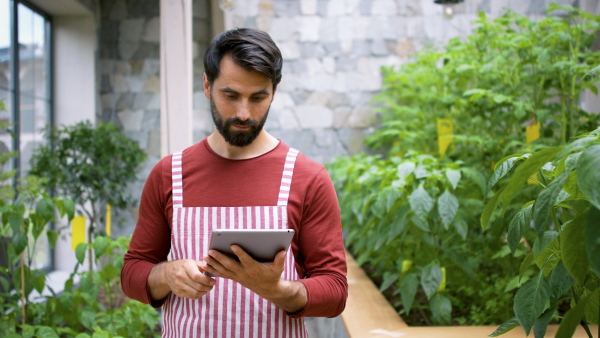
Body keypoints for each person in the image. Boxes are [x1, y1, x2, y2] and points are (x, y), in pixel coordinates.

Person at [121, 27, 348, 337]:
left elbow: (335, 291)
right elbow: (133, 272)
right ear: (206, 85)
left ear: (274, 93)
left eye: (258, 98)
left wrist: (277, 289)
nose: (244, 113)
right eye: (230, 96)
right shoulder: (168, 173)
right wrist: (167, 274)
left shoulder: (307, 178)